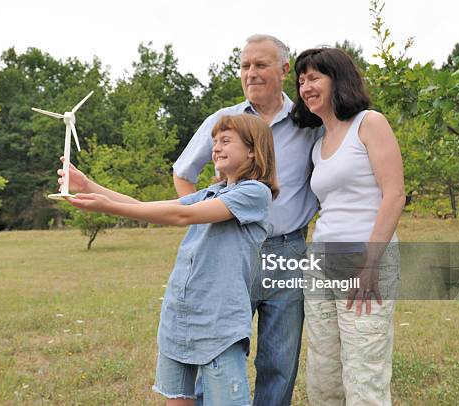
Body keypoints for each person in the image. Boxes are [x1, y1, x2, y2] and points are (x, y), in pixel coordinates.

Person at [60, 114, 278, 405]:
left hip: (218, 323)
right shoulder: (211, 192)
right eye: (214, 142)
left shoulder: (254, 193)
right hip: (181, 315)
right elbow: (145, 206)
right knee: (176, 399)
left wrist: (109, 208)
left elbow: (181, 215)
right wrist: (88, 186)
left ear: (253, 150)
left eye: (226, 141)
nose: (216, 148)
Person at [173, 34, 321, 406]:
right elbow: (183, 171)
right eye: (244, 66)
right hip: (229, 253)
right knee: (218, 349)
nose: (250, 73)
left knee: (280, 360)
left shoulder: (310, 123)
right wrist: (205, 218)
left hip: (286, 250)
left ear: (285, 70)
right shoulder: (227, 122)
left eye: (260, 65)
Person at [292, 47, 405, 405]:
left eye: (314, 77)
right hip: (322, 260)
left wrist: (371, 263)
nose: (305, 86)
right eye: (301, 80)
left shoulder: (369, 123)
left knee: (363, 369)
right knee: (323, 370)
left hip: (364, 258)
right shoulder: (318, 142)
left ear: (337, 78)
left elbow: (394, 195)